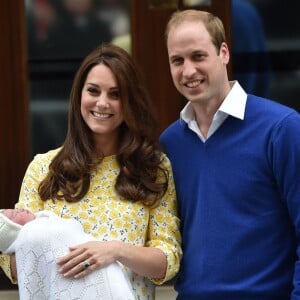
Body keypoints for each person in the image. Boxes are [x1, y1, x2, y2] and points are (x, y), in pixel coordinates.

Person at [0, 43, 182, 299]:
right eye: (93, 91)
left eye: (115, 94)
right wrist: (53, 250)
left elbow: (168, 260)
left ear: (130, 101)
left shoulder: (153, 168)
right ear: (79, 95)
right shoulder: (43, 168)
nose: (102, 103)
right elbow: (13, 265)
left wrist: (114, 251)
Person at [160, 9, 300, 300]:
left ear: (223, 52)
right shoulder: (171, 143)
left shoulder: (282, 128)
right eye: (177, 60)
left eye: (198, 56)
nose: (188, 71)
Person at [0, 208, 135, 299]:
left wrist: (117, 250)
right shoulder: (31, 233)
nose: (19, 209)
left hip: (114, 275)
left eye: (13, 209)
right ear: (13, 230)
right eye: (13, 215)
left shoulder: (52, 221)